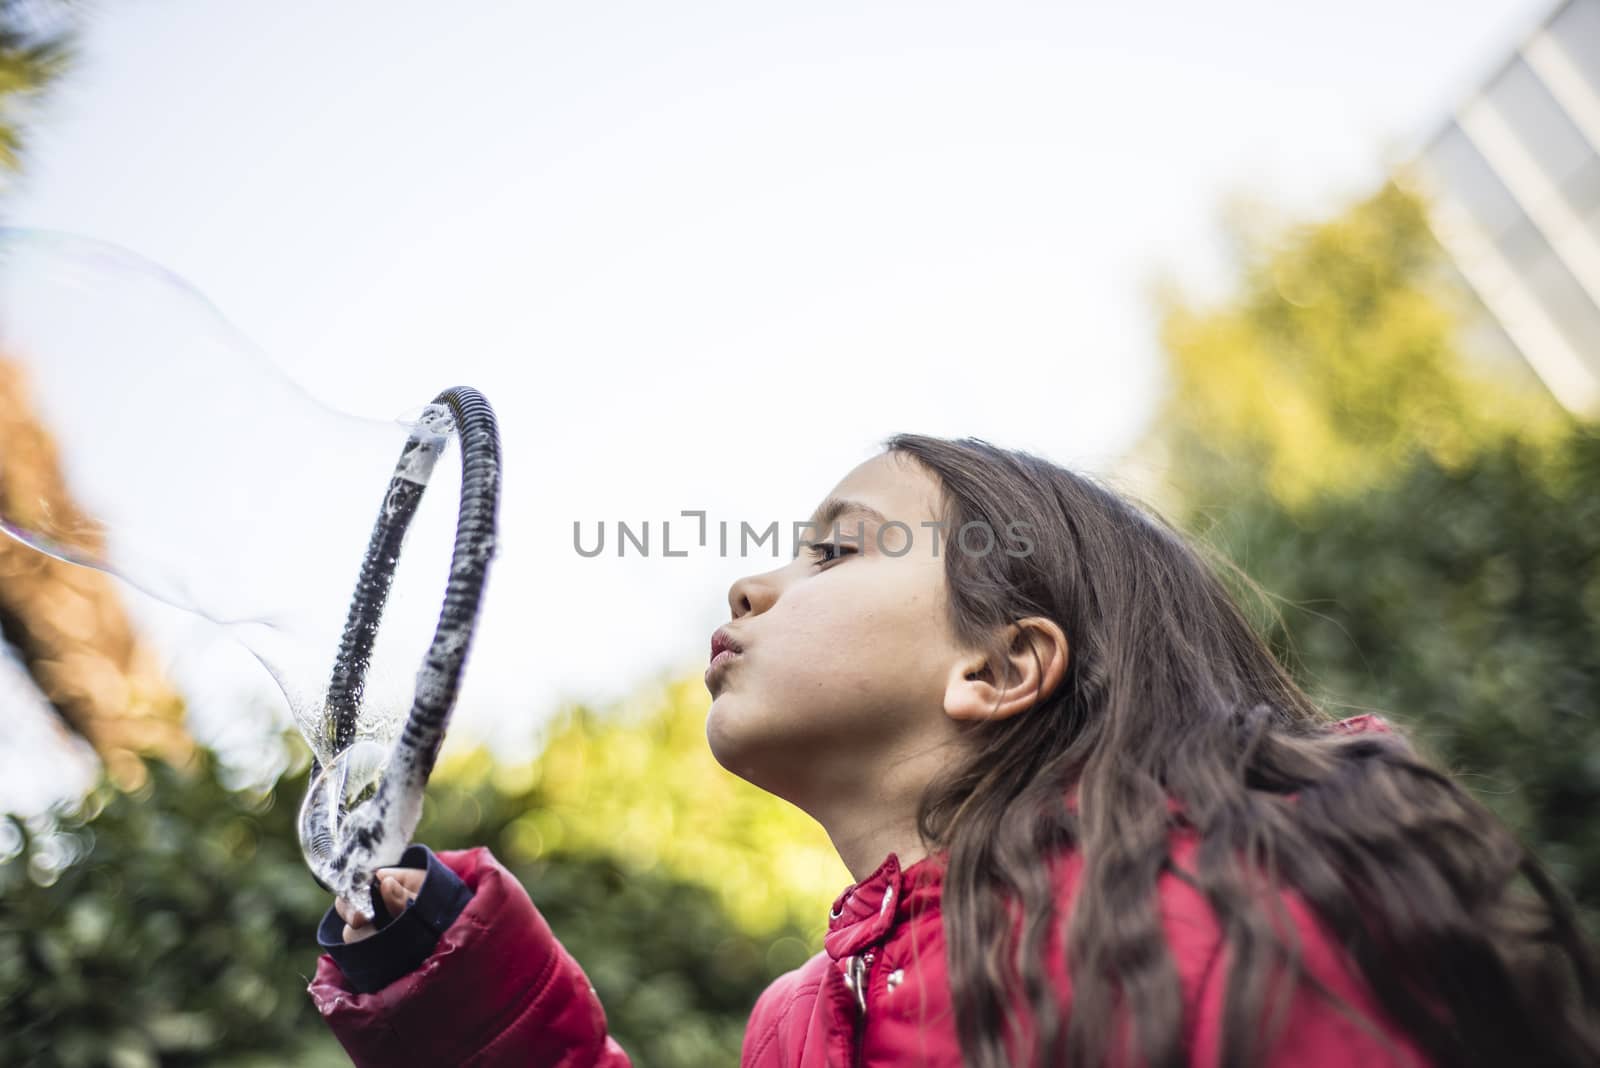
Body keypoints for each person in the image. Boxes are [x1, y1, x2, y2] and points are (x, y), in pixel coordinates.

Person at [306, 434, 1600, 1067]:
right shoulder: (797, 1026)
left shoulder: (1220, 904)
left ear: (1001, 667)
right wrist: (452, 985)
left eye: (835, 548)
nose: (752, 586)